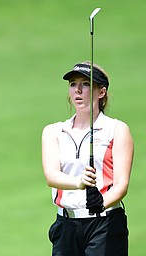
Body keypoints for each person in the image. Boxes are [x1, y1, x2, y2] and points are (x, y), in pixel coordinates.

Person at [41, 61, 134, 256]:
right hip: (66, 226)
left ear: (101, 92)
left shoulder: (116, 129)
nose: (78, 90)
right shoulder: (54, 131)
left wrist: (101, 203)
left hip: (105, 223)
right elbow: (51, 176)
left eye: (85, 84)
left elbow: (121, 185)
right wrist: (79, 182)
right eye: (73, 84)